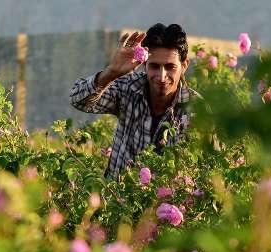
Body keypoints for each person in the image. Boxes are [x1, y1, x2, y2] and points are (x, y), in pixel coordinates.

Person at [70, 23, 200, 180]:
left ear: (184, 66)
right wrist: (111, 72)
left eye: (170, 67)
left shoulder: (197, 109)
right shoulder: (129, 87)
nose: (161, 76)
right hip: (116, 199)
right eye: (154, 66)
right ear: (144, 64)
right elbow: (78, 100)